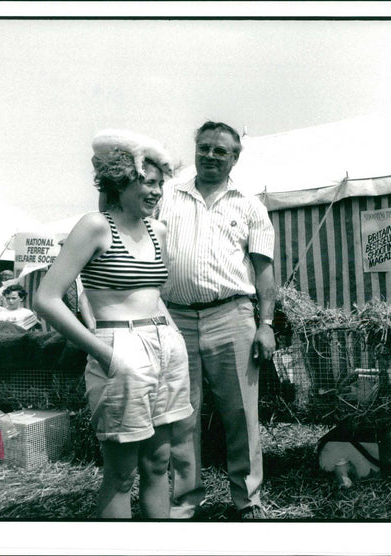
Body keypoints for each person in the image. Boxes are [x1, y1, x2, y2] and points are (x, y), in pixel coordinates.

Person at [34, 129, 192, 519]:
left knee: (159, 464)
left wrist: (173, 340)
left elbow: (155, 295)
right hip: (121, 347)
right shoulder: (95, 226)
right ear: (122, 182)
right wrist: (103, 352)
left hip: (166, 347)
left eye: (160, 184)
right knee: (121, 475)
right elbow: (46, 298)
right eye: (148, 183)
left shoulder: (159, 230)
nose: (157, 192)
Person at [158, 121, 275, 520]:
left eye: (220, 151)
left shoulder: (250, 205)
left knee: (241, 413)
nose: (210, 156)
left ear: (235, 158)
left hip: (232, 315)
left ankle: (247, 500)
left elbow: (263, 272)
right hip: (175, 318)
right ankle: (185, 502)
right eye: (204, 148)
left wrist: (267, 323)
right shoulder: (167, 197)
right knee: (181, 414)